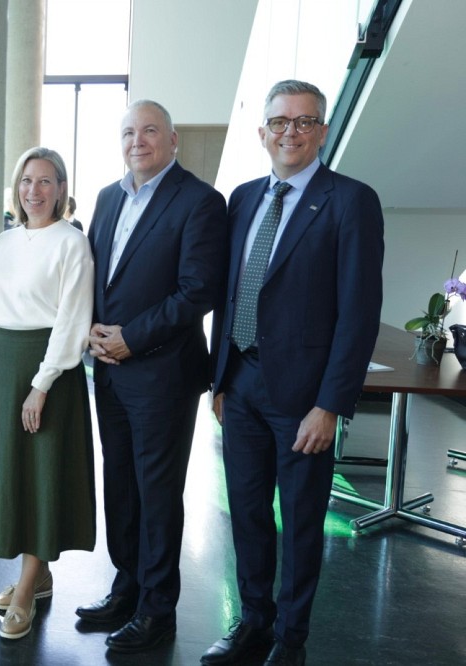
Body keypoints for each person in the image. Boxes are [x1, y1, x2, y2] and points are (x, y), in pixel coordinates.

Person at [203, 80, 383, 666]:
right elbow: (231, 295)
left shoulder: (350, 201)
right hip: (241, 383)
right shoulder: (242, 198)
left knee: (302, 521)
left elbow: (358, 314)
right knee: (247, 512)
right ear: (263, 132)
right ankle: (253, 622)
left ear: (322, 132)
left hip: (305, 398)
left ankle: (290, 638)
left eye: (305, 122)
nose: (291, 132)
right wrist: (220, 380)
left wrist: (330, 405)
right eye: (280, 121)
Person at [78, 100, 228, 654]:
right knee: (120, 485)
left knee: (157, 494)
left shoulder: (200, 201)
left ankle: (158, 609)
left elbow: (197, 291)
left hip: (162, 373)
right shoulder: (107, 197)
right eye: (128, 132)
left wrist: (131, 338)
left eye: (149, 131)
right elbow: (95, 275)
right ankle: (127, 589)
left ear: (172, 139)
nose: (137, 141)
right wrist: (91, 328)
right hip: (108, 371)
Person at [0, 147, 95, 640]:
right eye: (27, 180)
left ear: (61, 188)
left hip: (47, 369)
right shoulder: (3, 242)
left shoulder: (72, 242)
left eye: (46, 181)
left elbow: (72, 319)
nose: (34, 191)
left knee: (41, 473)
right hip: (3, 364)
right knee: (14, 472)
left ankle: (27, 585)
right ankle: (36, 575)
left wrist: (41, 384)